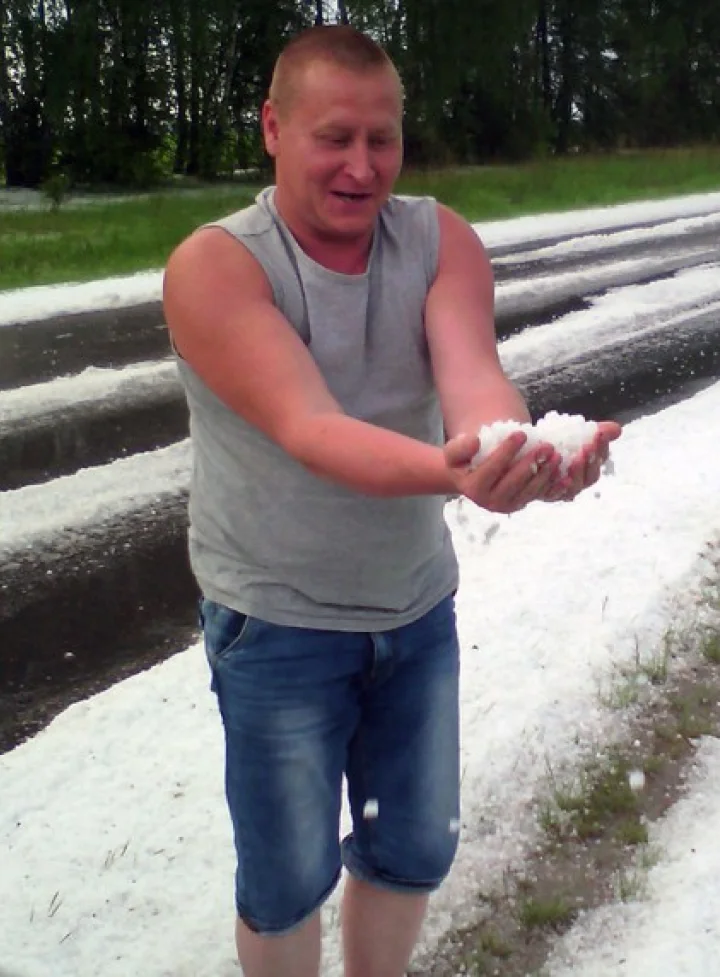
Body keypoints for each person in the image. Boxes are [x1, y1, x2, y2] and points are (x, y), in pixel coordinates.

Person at [162, 23, 620, 977]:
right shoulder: (216, 267)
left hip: (414, 608)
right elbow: (312, 429)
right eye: (335, 137)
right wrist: (458, 473)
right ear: (273, 128)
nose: (362, 167)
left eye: (383, 139)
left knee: (412, 850)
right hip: (274, 621)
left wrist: (518, 451)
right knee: (286, 880)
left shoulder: (439, 238)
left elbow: (475, 377)